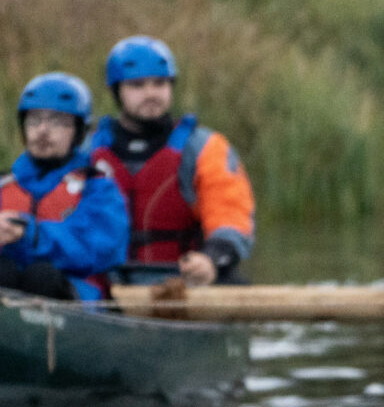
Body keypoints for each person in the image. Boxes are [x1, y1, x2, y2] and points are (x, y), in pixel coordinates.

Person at [0, 73, 128, 300]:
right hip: (8, 288)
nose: (43, 130)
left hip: (74, 297)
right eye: (34, 120)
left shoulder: (98, 188)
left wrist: (33, 236)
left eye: (57, 121)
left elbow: (102, 250)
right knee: (3, 272)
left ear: (78, 131)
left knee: (41, 275)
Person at [83, 35, 256, 286]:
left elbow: (231, 216)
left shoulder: (204, 148)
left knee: (235, 283)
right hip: (105, 281)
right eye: (137, 85)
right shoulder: (87, 151)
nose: (151, 93)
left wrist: (211, 259)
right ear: (116, 91)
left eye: (160, 83)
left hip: (183, 279)